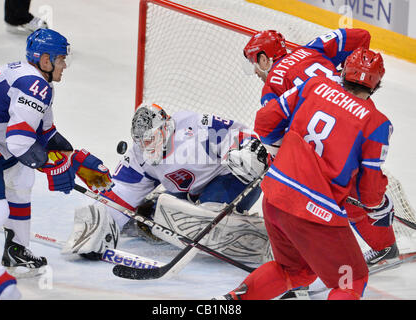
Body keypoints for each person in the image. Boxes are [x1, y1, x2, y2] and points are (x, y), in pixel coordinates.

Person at [218, 48, 392, 300]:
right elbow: (369, 192)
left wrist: (280, 152)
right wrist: (380, 206)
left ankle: (231, 301)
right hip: (315, 212)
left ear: (342, 73)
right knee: (351, 280)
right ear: (377, 85)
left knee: (294, 270)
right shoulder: (377, 123)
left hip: (275, 196)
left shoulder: (314, 86)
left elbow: (266, 121)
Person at [243, 28, 398, 267]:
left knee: (324, 193)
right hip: (361, 116)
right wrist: (353, 72)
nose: (255, 70)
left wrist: (276, 155)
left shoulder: (272, 84)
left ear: (265, 58)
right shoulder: (311, 48)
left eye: (255, 61)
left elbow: (268, 122)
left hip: (328, 140)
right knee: (356, 187)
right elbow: (362, 36)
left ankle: (296, 263)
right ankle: (384, 243)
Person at [0, 28, 113, 297]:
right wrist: (52, 168)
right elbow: (18, 143)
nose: (65, 65)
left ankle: (16, 250)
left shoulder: (40, 82)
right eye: (61, 59)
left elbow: (44, 133)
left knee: (21, 180)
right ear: (46, 60)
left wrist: (73, 159)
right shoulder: (34, 84)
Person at [62, 102, 271, 265]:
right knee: (158, 217)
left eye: (151, 139)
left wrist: (248, 150)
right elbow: (122, 192)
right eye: (142, 142)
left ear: (165, 128)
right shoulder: (139, 154)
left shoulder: (194, 127)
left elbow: (237, 134)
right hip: (190, 192)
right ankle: (160, 212)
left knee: (205, 217)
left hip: (231, 179)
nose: (147, 147)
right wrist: (101, 224)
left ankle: (259, 235)